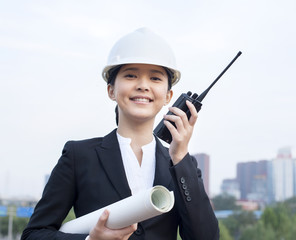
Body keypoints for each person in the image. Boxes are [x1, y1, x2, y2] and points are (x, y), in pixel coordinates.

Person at [21, 28, 219, 240]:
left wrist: (179, 157)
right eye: (131, 75)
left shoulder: (182, 166)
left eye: (155, 78)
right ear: (111, 90)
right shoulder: (78, 155)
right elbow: (34, 235)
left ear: (168, 96)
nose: (143, 86)